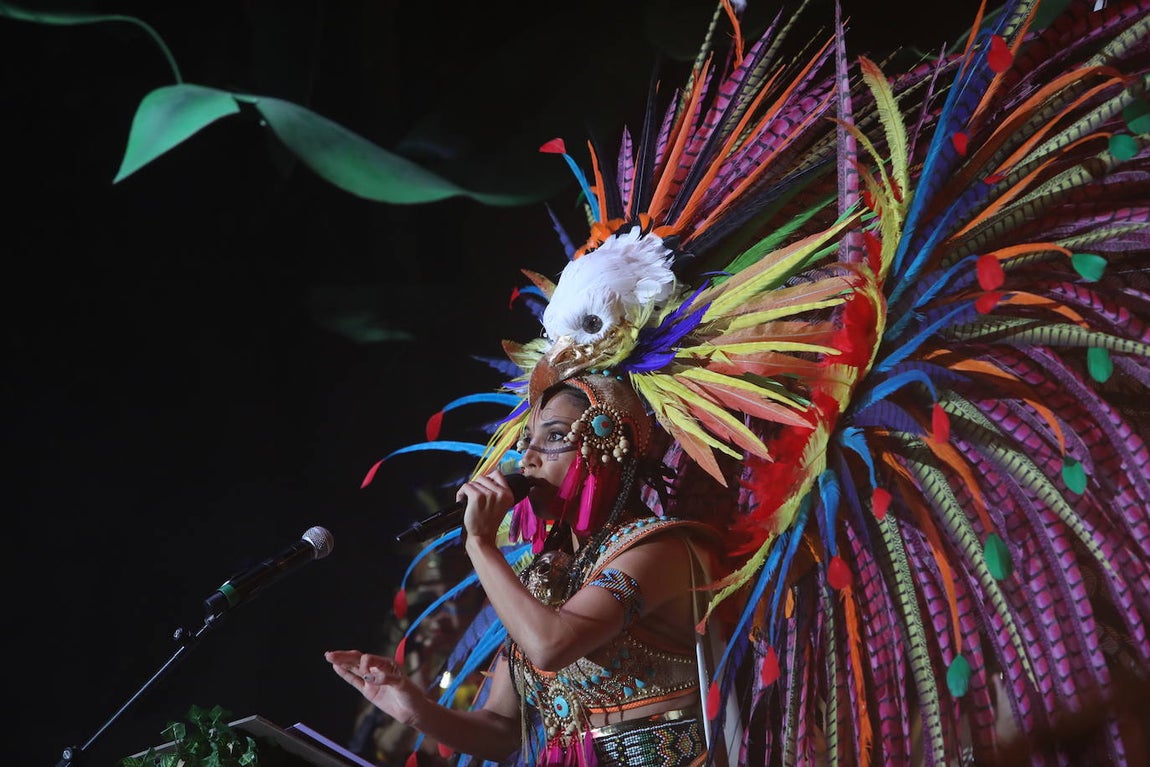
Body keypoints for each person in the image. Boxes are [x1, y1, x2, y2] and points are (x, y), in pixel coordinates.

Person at [327, 371, 729, 767]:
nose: (528, 459)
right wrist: (413, 709)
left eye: (554, 436)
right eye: (526, 443)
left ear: (608, 442)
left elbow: (550, 645)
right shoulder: (549, 572)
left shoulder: (660, 548)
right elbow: (501, 729)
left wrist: (480, 543)